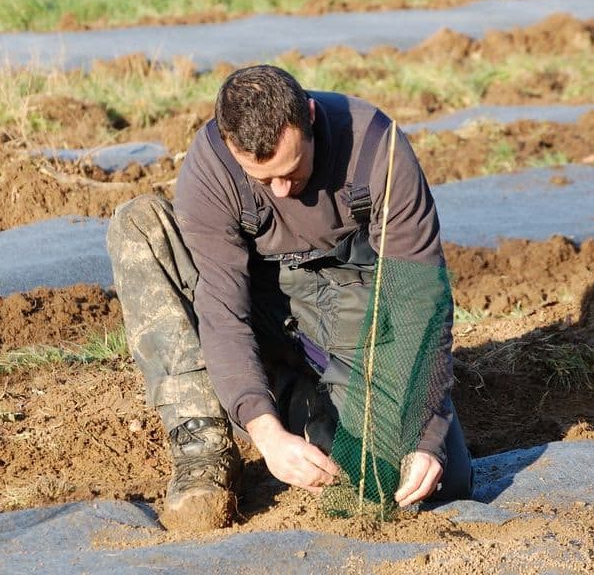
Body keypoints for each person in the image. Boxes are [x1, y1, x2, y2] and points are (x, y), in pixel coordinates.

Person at [107, 65, 473, 531]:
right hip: (264, 307)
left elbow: (419, 305)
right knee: (139, 223)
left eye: (291, 170)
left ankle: (308, 405)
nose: (281, 190)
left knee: (428, 481)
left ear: (311, 117)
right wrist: (265, 431)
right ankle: (205, 449)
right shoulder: (213, 166)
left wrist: (428, 434)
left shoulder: (376, 149)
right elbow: (222, 311)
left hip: (354, 311)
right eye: (262, 180)